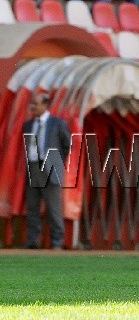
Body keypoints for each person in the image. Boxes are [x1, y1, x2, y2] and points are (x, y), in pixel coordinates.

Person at [23, 92, 72, 249]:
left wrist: (56, 162)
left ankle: (57, 242)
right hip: (33, 167)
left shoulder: (58, 123)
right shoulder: (28, 125)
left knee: (53, 208)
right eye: (32, 104)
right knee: (32, 207)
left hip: (50, 169)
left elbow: (67, 145)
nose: (32, 107)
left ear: (46, 105)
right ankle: (32, 241)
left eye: (35, 104)